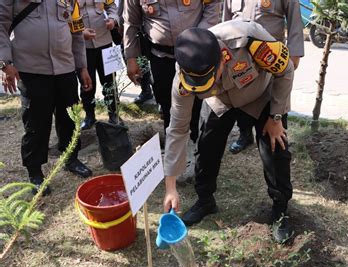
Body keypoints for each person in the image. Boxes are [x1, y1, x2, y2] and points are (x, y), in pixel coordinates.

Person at [163, 20, 295, 243]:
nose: (209, 89)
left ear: (222, 59)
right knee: (206, 148)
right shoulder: (183, 79)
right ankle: (205, 200)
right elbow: (177, 130)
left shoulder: (251, 40)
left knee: (275, 150)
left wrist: (276, 117)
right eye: (203, 89)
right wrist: (170, 187)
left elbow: (286, 69)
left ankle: (280, 210)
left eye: (210, 82)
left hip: (260, 95)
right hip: (221, 102)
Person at [0, 0, 93, 195]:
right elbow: (1, 24)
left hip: (65, 66)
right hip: (31, 68)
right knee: (36, 122)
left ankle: (71, 158)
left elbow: (76, 33)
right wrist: (4, 63)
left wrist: (82, 67)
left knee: (69, 118)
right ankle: (35, 172)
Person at [123, 0, 220, 171]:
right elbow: (131, 21)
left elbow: (213, 5)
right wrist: (131, 57)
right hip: (160, 57)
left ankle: (194, 145)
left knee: (196, 101)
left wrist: (199, 35)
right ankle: (175, 149)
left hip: (194, 53)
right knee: (167, 103)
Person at [223, 0, 304, 154]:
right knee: (240, 105)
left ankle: (274, 148)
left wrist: (293, 56)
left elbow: (295, 20)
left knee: (273, 114)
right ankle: (245, 135)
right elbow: (225, 23)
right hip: (240, 62)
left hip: (270, 64)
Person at [79, 0, 121, 130]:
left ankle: (114, 113)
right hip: (83, 45)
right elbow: (66, 15)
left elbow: (111, 6)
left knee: (110, 81)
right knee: (87, 83)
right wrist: (81, 31)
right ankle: (89, 115)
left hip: (105, 41)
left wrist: (113, 20)